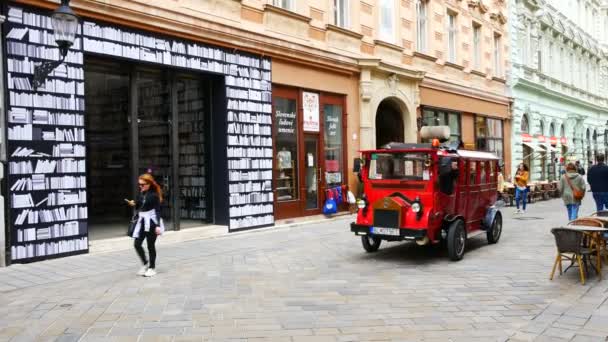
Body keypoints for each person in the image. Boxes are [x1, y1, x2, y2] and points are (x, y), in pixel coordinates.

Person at [126, 173, 164, 277]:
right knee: (137, 244)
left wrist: (157, 225)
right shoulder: (141, 193)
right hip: (141, 221)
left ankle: (152, 268)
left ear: (149, 184)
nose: (140, 186)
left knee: (150, 245)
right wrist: (133, 204)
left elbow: (158, 210)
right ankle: (145, 263)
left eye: (143, 184)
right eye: (139, 184)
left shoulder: (154, 195)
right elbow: (139, 205)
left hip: (151, 221)